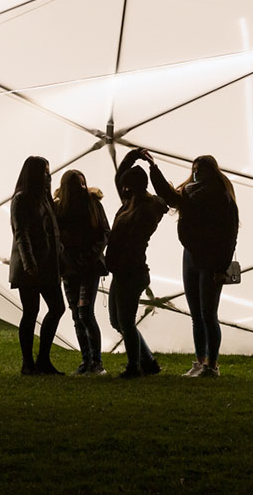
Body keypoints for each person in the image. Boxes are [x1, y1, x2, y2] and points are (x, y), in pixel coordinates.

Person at [144, 152, 238, 378]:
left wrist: (221, 267)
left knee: (207, 314)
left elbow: (229, 235)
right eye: (194, 169)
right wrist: (154, 169)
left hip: (210, 260)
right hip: (192, 256)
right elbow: (169, 195)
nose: (195, 174)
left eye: (199, 170)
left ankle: (211, 365)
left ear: (210, 171)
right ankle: (201, 361)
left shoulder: (219, 196)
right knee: (198, 314)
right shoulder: (191, 192)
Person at [105, 149, 168, 379]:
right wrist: (135, 156)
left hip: (131, 272)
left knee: (126, 322)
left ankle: (135, 366)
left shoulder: (145, 210)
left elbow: (130, 244)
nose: (121, 188)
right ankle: (148, 361)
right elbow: (120, 175)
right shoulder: (132, 203)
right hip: (124, 272)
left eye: (125, 186)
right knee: (118, 321)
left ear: (132, 187)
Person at [10, 155, 65, 375]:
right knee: (31, 310)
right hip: (30, 265)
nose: (48, 176)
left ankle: (41, 359)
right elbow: (21, 233)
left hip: (47, 264)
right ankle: (29, 362)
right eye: (44, 172)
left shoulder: (43, 198)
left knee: (54, 308)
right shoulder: (22, 199)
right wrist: (29, 264)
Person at [54, 169, 110, 376]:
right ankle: (87, 361)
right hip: (70, 268)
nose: (82, 188)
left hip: (88, 267)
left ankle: (96, 362)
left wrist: (90, 255)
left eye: (83, 183)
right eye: (77, 184)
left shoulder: (92, 205)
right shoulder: (59, 208)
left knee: (85, 312)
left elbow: (104, 233)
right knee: (78, 315)